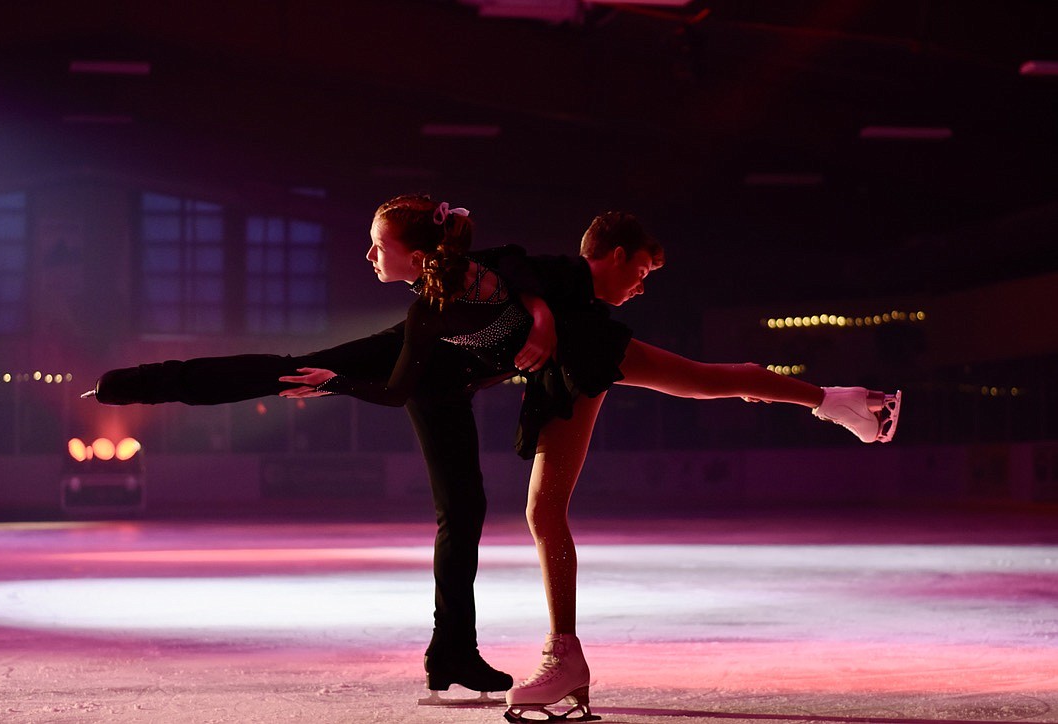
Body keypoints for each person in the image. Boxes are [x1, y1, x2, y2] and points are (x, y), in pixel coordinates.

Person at [277, 211, 901, 722]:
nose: (642, 284)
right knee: (687, 399)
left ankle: (834, 401)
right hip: (574, 362)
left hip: (582, 358)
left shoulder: (546, 290)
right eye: (643, 270)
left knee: (679, 406)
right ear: (617, 253)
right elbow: (507, 275)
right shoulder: (544, 274)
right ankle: (836, 401)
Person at [85, 194, 562, 702]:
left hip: (447, 379)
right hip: (426, 376)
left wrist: (541, 314)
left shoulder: (489, 268)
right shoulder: (427, 311)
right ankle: (137, 383)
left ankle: (451, 651)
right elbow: (396, 392)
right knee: (294, 371)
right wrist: (335, 381)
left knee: (465, 513)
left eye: (378, 246)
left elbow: (518, 257)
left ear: (420, 259)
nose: (368, 256)